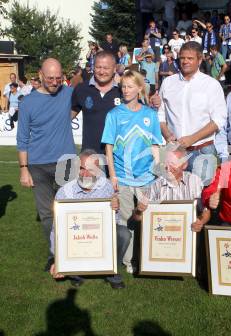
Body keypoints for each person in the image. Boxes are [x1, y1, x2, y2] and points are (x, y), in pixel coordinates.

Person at [16, 58, 76, 270]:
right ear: (40, 75)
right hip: (38, 166)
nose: (54, 82)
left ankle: (74, 254)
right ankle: (55, 255)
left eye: (58, 78)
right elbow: (22, 139)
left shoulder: (68, 93)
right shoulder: (27, 103)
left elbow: (94, 89)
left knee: (70, 210)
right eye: (50, 78)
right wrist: (24, 170)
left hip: (67, 162)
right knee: (47, 214)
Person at [102, 70, 162, 274]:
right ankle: (128, 261)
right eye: (123, 87)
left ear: (139, 88)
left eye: (130, 86)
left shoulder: (150, 115)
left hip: (147, 178)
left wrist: (158, 172)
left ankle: (148, 258)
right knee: (126, 220)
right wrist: (112, 175)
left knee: (146, 218)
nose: (126, 90)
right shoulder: (114, 114)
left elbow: (155, 145)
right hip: (123, 177)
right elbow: (108, 147)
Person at [49, 149, 130, 289]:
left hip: (100, 235)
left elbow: (113, 223)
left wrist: (115, 208)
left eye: (91, 170)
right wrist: (57, 259)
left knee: (123, 234)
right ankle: (74, 272)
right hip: (75, 236)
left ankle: (111, 270)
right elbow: (56, 229)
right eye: (82, 169)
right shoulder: (64, 192)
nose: (85, 174)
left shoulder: (107, 187)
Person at [158, 41, 227, 184]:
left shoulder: (211, 85)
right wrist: (167, 134)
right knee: (175, 196)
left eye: (190, 58)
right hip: (175, 150)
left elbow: (218, 120)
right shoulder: (168, 83)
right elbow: (160, 115)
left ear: (200, 60)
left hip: (202, 150)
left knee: (202, 197)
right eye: (182, 58)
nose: (185, 61)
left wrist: (192, 138)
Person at [71, 51, 122, 154]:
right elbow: (67, 117)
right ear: (93, 67)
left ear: (114, 69)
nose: (102, 72)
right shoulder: (82, 89)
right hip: (90, 156)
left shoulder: (123, 91)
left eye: (106, 68)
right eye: (98, 67)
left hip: (118, 156)